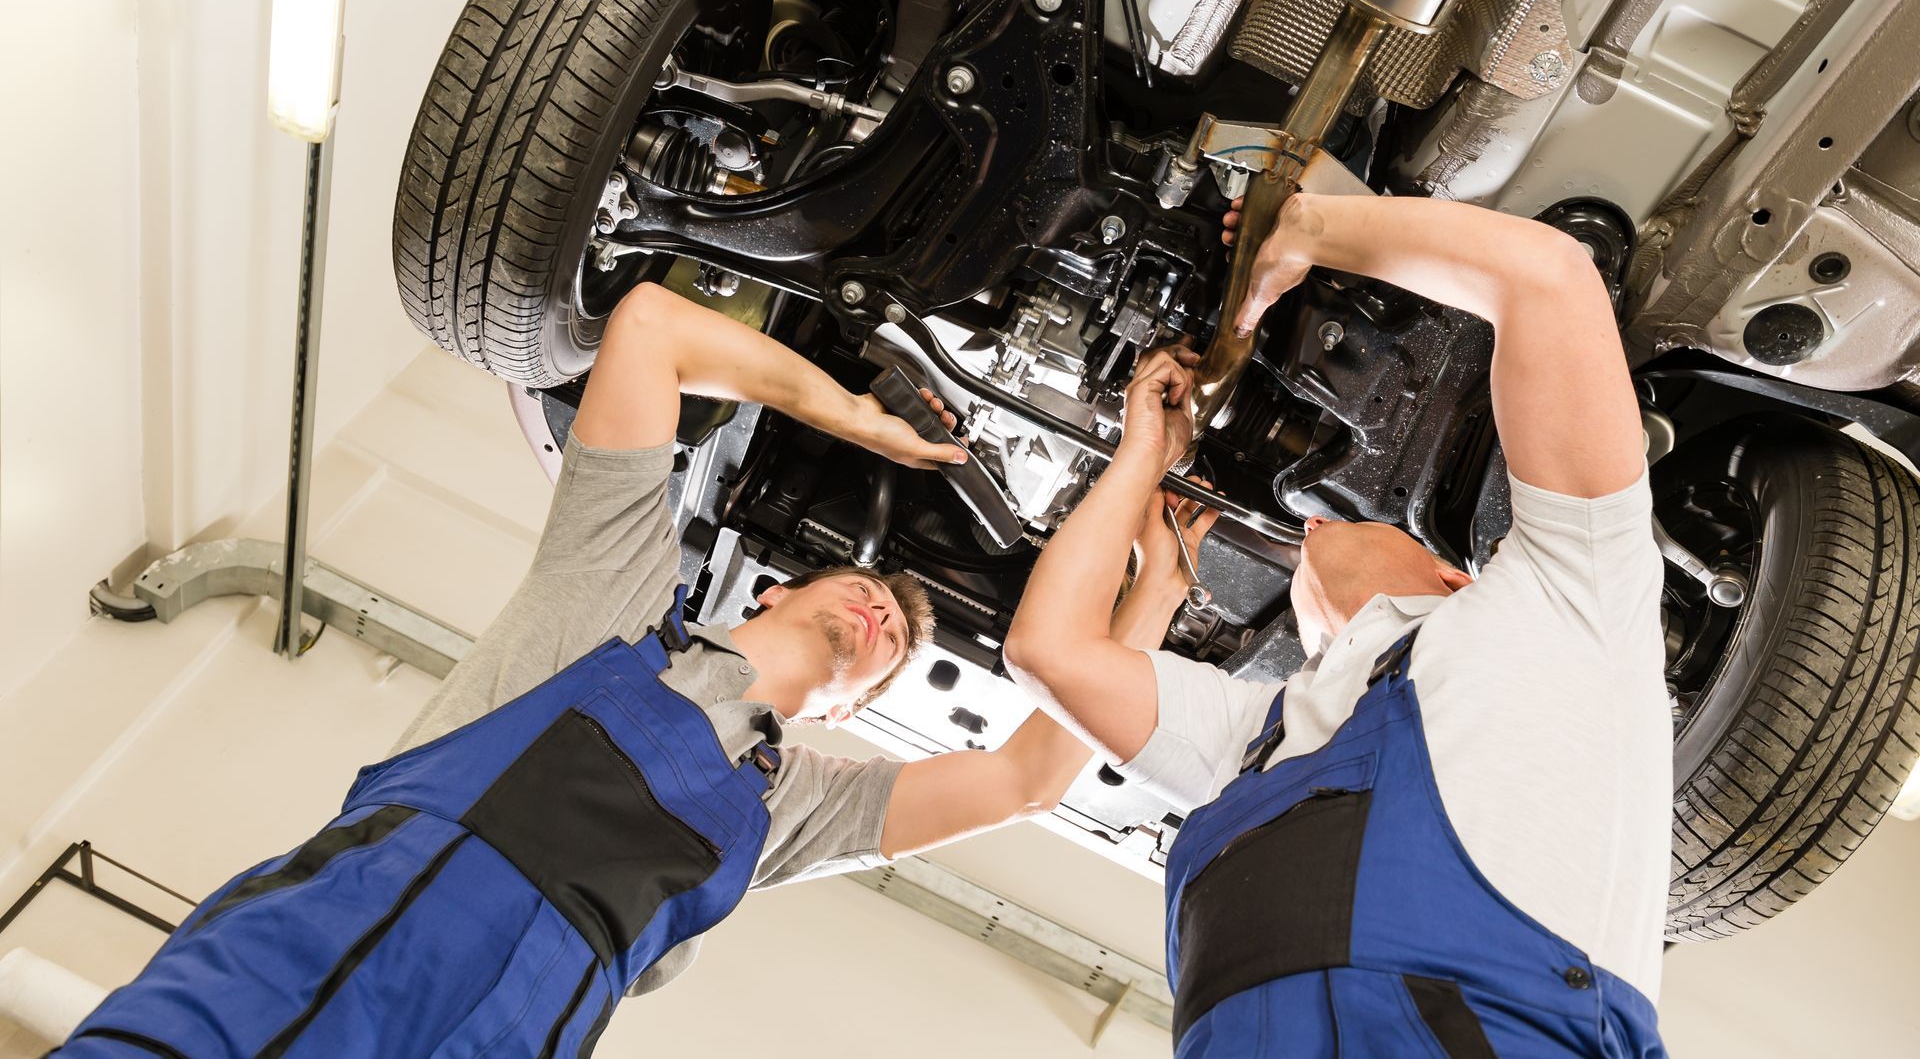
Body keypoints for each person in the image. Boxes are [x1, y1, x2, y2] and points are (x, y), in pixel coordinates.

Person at [57, 279, 1213, 1058]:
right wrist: (854, 417)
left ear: (861, 709)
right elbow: (652, 325)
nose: (881, 612)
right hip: (313, 935)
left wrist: (1150, 592)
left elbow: (1022, 780)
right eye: (860, 590)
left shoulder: (798, 808)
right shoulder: (608, 595)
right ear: (770, 587)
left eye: (899, 646)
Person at [1003, 153, 1671, 1057]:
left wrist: (1141, 462)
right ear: (1455, 576)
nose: (1310, 524)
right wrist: (1311, 229)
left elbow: (1047, 653)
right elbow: (1550, 279)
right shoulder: (1573, 594)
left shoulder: (1256, 745)